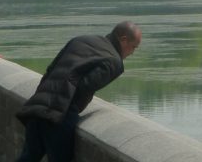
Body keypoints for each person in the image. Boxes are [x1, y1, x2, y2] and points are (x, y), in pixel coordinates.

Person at [15, 21, 142, 162]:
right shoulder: (114, 62)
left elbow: (51, 69)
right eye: (133, 47)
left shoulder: (81, 39)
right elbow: (84, 87)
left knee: (29, 157)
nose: (132, 53)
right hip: (60, 114)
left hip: (37, 106)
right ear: (123, 40)